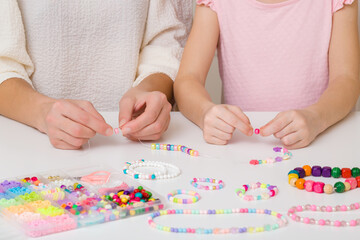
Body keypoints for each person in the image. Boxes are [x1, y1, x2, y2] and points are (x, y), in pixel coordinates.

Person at [0, 0, 192, 150]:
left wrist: (149, 89)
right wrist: (41, 111)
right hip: (26, 143)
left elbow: (167, 43)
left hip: (137, 148)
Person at [174, 0, 360, 149]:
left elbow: (347, 79)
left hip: (322, 143)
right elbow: (188, 78)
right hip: (243, 149)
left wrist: (316, 118)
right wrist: (204, 111)